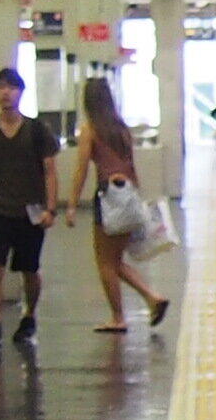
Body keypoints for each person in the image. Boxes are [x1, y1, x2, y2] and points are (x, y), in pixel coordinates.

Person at [64, 76, 169, 337]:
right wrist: (138, 197)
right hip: (129, 195)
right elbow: (131, 166)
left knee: (105, 263)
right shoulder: (121, 129)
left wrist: (72, 204)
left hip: (109, 198)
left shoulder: (90, 129)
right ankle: (152, 298)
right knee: (115, 260)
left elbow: (81, 170)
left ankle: (118, 317)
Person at [0, 66, 56, 359]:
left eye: (11, 87)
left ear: (21, 93)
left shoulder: (37, 130)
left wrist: (51, 208)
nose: (6, 93)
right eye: (0, 87)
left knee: (29, 270)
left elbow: (50, 171)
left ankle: (29, 315)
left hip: (30, 211)